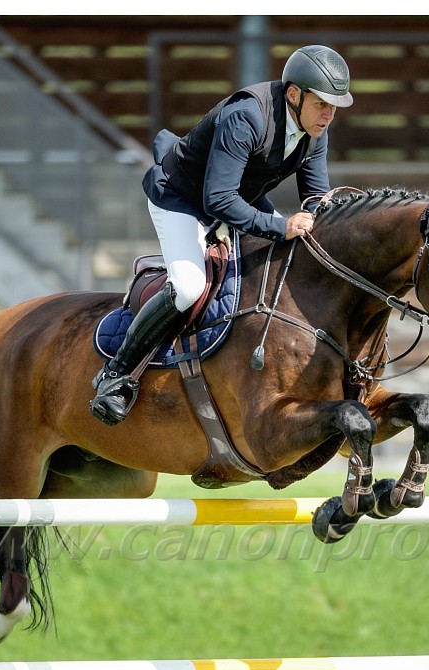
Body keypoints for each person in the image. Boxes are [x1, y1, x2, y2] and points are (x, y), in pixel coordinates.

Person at [90, 44, 354, 425]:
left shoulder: (315, 129)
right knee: (189, 287)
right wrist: (281, 226)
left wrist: (317, 220)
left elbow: (314, 196)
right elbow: (217, 201)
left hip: (235, 198)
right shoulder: (246, 116)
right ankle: (116, 374)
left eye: (334, 107)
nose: (329, 115)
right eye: (322, 104)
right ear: (294, 94)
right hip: (181, 198)